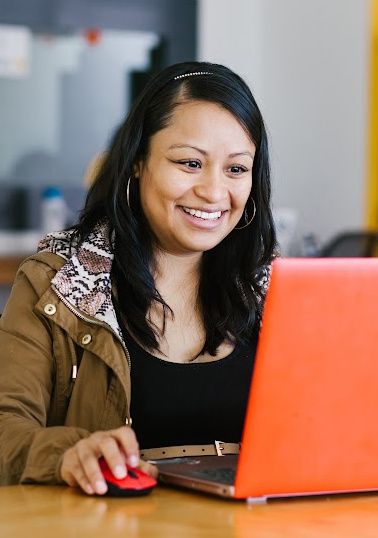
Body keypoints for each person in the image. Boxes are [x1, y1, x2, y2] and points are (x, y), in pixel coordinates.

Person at [0, 61, 277, 494]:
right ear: (137, 163)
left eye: (236, 169)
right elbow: (6, 426)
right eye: (189, 163)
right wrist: (67, 454)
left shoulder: (274, 290)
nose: (214, 191)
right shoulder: (57, 281)